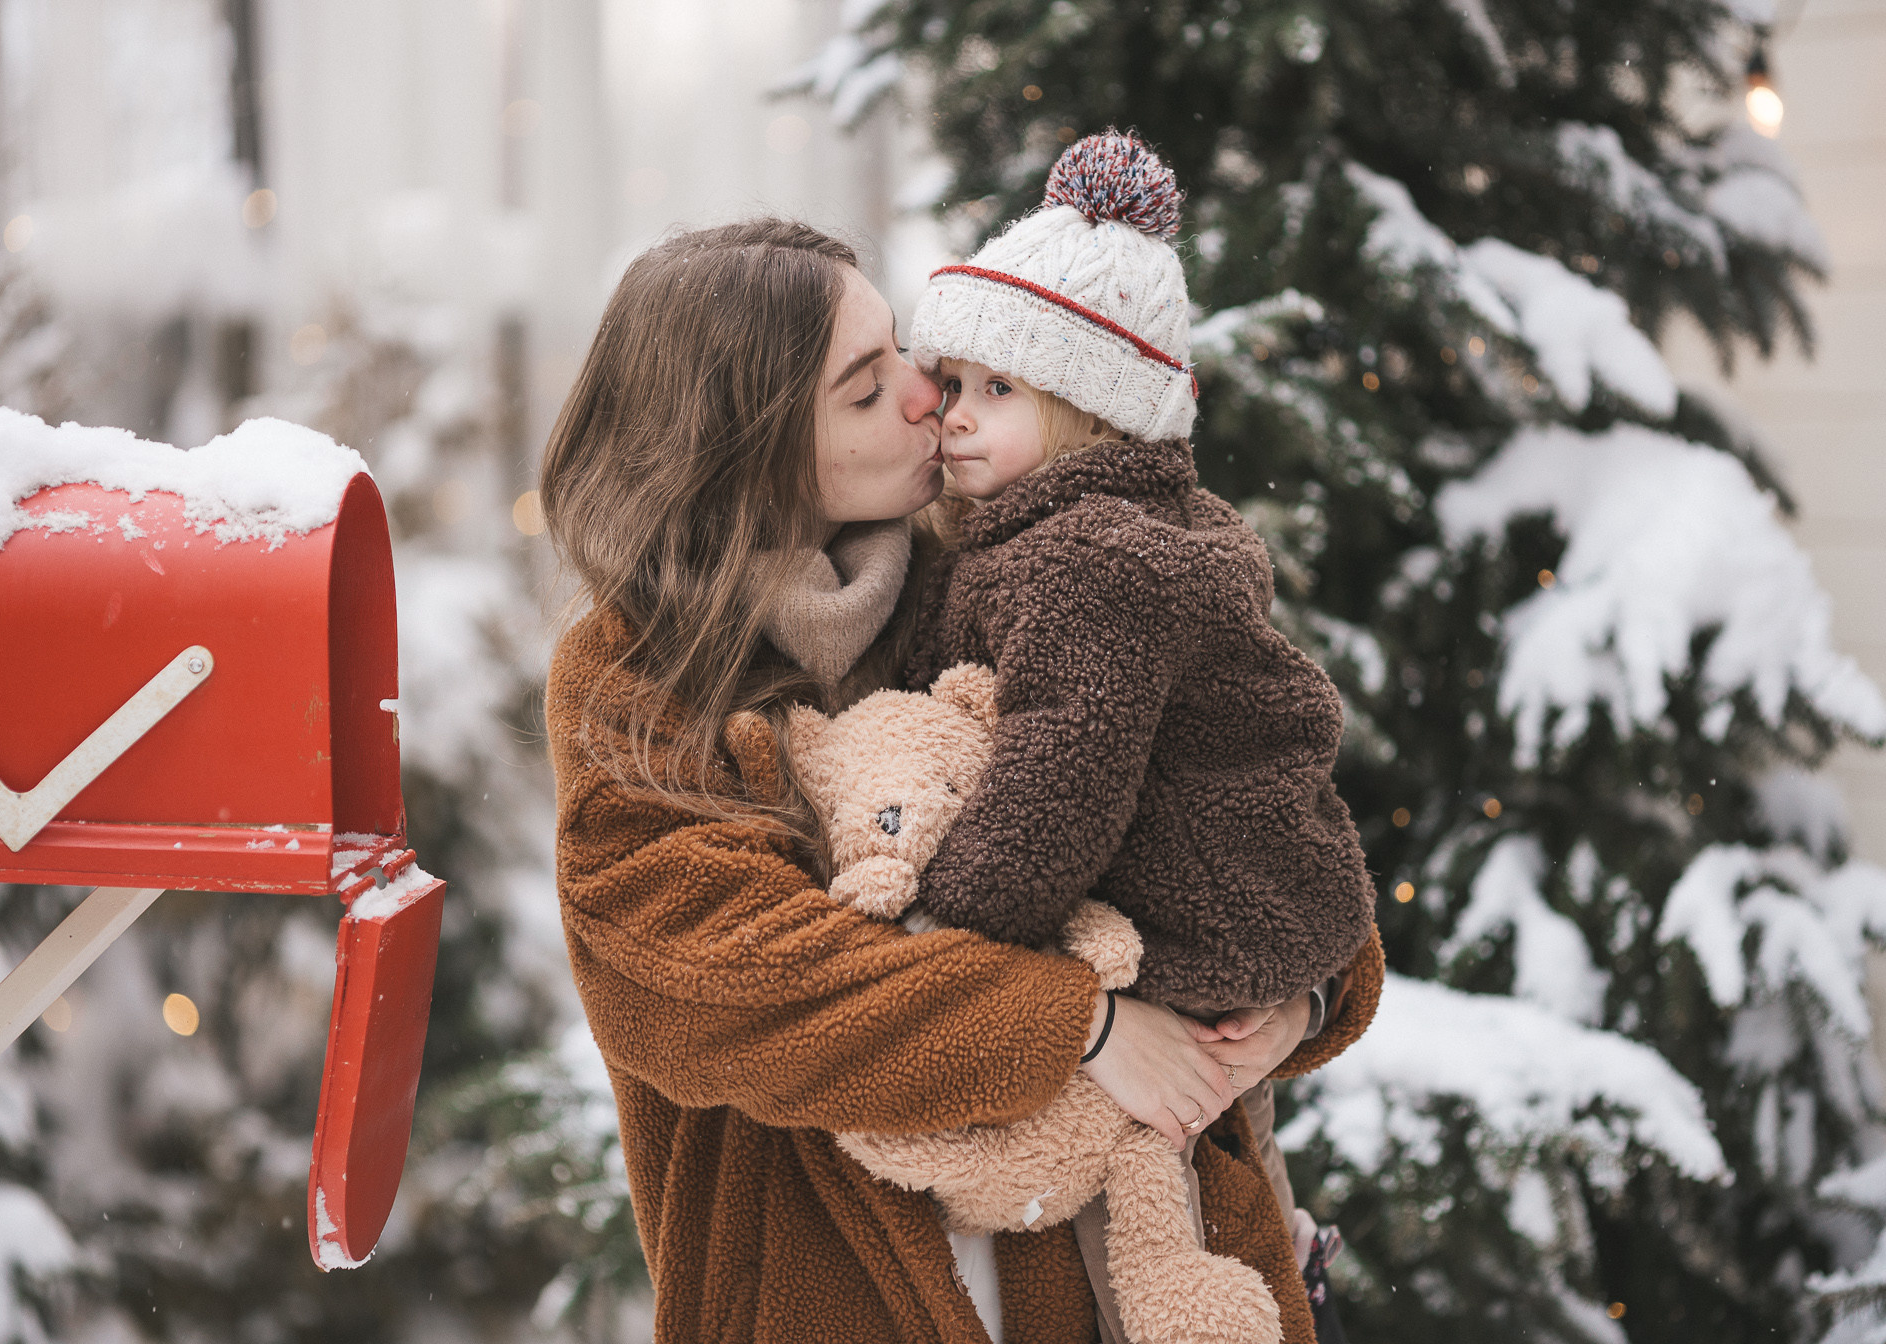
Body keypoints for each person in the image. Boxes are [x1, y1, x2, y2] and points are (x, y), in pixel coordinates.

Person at [539, 216, 1382, 1343]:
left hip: (1129, 1281)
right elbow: (718, 986)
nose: (924, 391)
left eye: (902, 347)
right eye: (864, 388)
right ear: (749, 452)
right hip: (842, 1303)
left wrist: (1292, 1000)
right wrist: (1082, 1027)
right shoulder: (639, 678)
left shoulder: (1010, 574)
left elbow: (1248, 815)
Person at [903, 131, 1379, 1337]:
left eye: (998, 391)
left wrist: (945, 928)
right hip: (1246, 917)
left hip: (1193, 933)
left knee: (1158, 1220)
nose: (952, 418)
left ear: (1091, 410)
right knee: (1219, 1177)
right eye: (951, 383)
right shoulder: (1106, 527)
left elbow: (1059, 777)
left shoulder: (1084, 562)